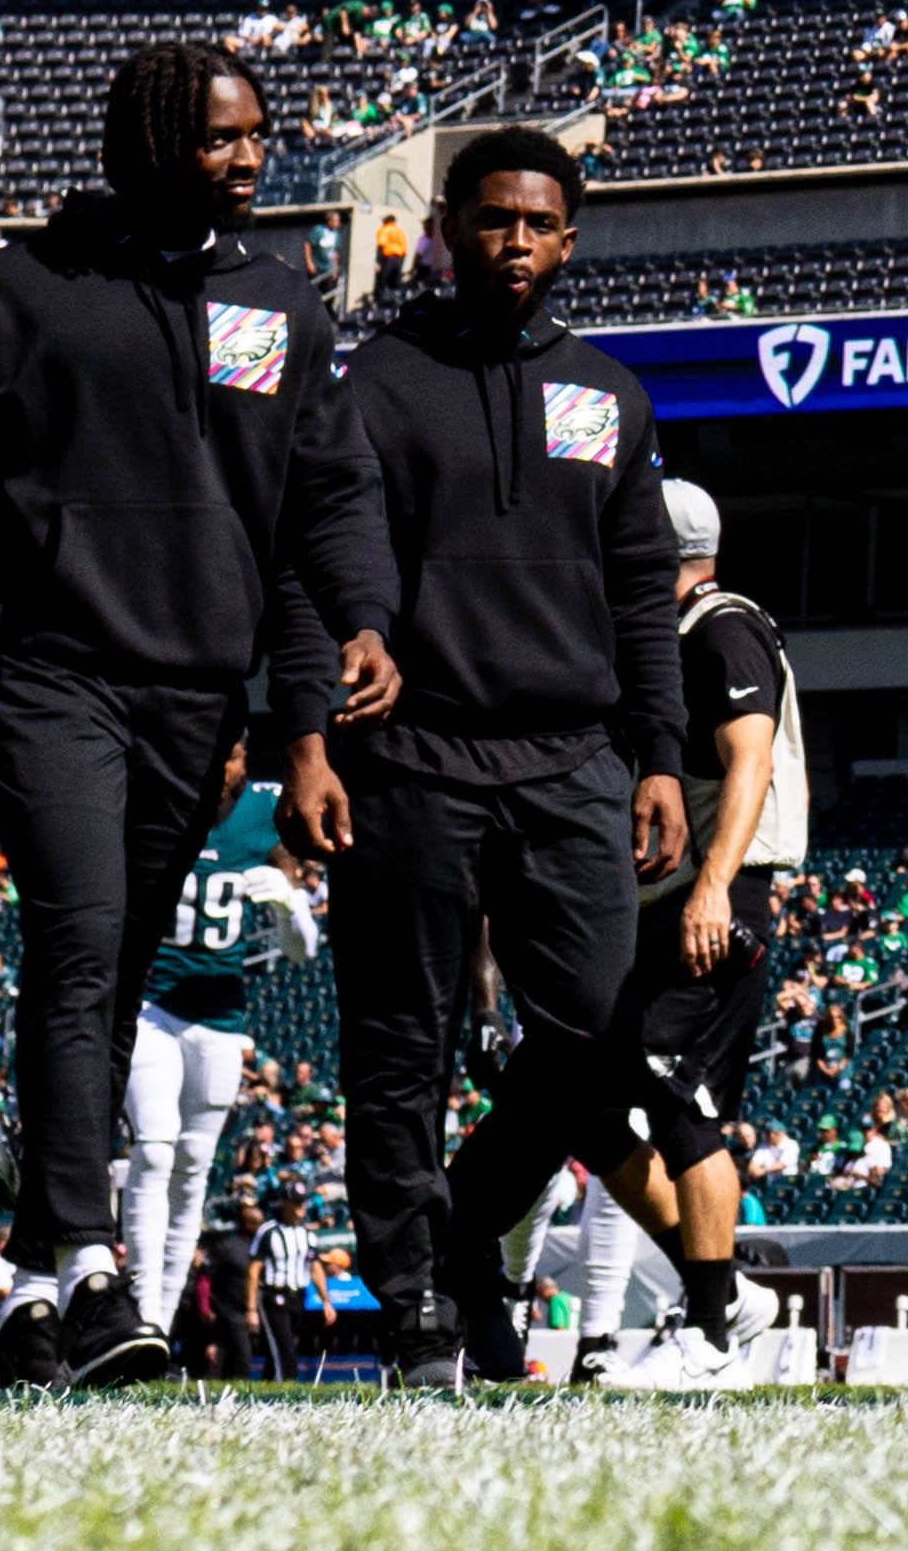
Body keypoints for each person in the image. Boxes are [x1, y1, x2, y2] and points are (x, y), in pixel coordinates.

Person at [0, 37, 355, 1392]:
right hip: (54, 679)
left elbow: (307, 521)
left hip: (196, 697)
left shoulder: (285, 306)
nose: (249, 159)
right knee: (80, 946)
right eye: (221, 137)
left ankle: (22, 1288)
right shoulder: (15, 294)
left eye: (257, 135)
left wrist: (312, 704)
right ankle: (98, 1263)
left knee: (109, 977)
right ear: (150, 139)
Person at [277, 128, 684, 1388]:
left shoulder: (608, 394)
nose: (515, 240)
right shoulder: (375, 383)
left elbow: (639, 585)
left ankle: (457, 1236)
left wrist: (659, 756)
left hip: (573, 762)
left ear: (571, 237)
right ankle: (416, 1312)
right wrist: (307, 731)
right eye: (492, 218)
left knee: (600, 1040)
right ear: (445, 229)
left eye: (539, 221)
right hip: (410, 758)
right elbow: (317, 556)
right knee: (400, 1049)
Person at [596, 473, 801, 1388]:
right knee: (597, 1103)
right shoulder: (680, 631)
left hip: (717, 894)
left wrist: (713, 887)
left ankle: (711, 1334)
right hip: (668, 897)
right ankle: (719, 1285)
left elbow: (749, 761)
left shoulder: (720, 625)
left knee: (683, 1101)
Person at [110, 742, 314, 1343]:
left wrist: (288, 907)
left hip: (221, 1017)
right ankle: (142, 1312)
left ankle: (162, 1323)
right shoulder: (149, 804)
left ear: (245, 759)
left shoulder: (264, 811)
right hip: (152, 1007)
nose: (221, 768)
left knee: (194, 1169)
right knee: (153, 1151)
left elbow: (302, 950)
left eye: (233, 754)